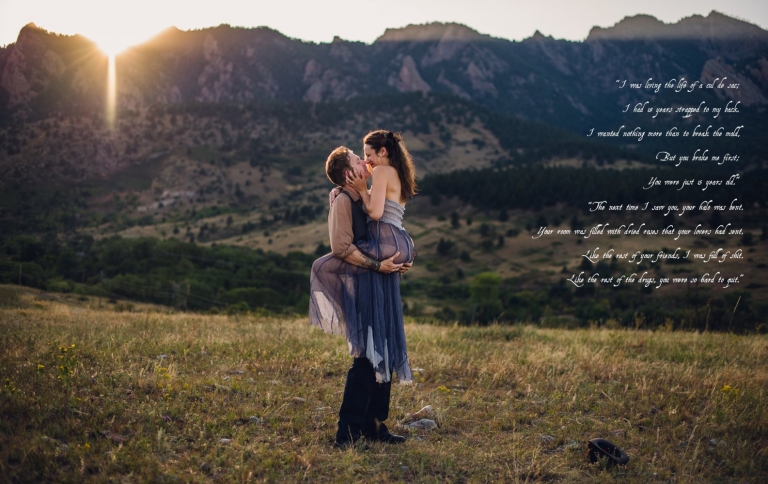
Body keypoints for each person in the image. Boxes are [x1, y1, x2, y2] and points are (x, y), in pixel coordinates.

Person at [309, 133, 416, 447]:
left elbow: (387, 222)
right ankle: (348, 432)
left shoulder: (364, 193)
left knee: (382, 347)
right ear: (348, 173)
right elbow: (341, 247)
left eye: (365, 156)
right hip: (366, 279)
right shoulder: (343, 200)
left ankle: (374, 425)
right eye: (359, 160)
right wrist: (377, 264)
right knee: (366, 357)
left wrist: (399, 256)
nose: (364, 162)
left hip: (381, 277)